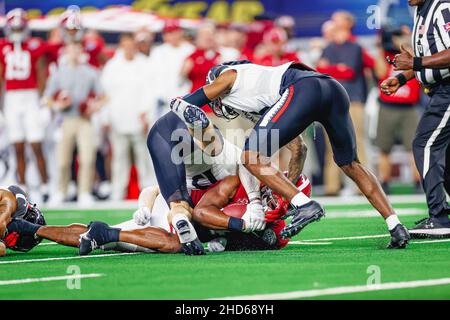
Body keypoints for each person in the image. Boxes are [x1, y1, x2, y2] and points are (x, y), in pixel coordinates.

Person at [169, 59, 411, 249]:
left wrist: (171, 108)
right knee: (350, 163)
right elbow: (299, 149)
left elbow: (191, 101)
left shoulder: (229, 75)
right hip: (332, 88)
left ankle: (306, 205)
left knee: (249, 157)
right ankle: (395, 224)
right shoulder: (260, 90)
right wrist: (286, 198)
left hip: (303, 89)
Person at [381, 0, 450, 238]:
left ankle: (440, 216)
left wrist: (415, 63)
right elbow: (428, 57)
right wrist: (402, 79)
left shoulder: (443, 8)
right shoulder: (421, 10)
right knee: (444, 153)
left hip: (447, 90)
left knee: (424, 143)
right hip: (439, 91)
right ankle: (441, 214)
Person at [42, 41, 105, 207]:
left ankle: (84, 191)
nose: (74, 53)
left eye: (78, 49)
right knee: (62, 160)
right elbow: (47, 98)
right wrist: (58, 105)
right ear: (66, 52)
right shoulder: (58, 73)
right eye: (71, 49)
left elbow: (104, 96)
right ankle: (61, 191)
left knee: (87, 158)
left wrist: (94, 106)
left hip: (84, 120)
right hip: (65, 119)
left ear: (82, 51)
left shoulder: (90, 72)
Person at [0, 9, 49, 200]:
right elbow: (2, 77)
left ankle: (45, 186)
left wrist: (43, 101)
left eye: (20, 27)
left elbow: (41, 74)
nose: (18, 31)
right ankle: (22, 187)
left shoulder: (35, 46)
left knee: (36, 144)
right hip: (12, 98)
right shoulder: (4, 46)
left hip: (30, 97)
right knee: (17, 145)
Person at [101, 33, 154, 200]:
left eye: (132, 45)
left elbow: (150, 93)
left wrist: (147, 115)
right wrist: (106, 117)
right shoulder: (112, 66)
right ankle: (117, 193)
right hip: (118, 120)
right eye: (126, 45)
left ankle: (148, 194)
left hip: (139, 120)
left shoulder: (145, 64)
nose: (129, 49)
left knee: (144, 160)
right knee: (119, 159)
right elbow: (105, 94)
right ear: (121, 46)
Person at [374, 27, 421, 194]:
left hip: (409, 108)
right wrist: (380, 47)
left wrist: (406, 43)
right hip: (387, 107)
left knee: (414, 148)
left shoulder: (413, 53)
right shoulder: (386, 55)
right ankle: (384, 184)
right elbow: (379, 72)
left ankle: (418, 183)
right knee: (384, 148)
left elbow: (419, 62)